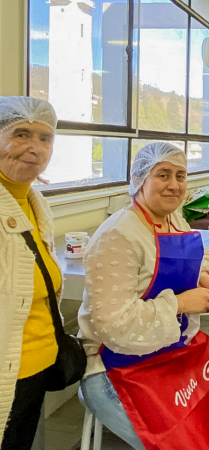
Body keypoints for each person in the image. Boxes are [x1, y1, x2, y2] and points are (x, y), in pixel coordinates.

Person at [77, 143, 209, 449]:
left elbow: (203, 255)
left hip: (170, 354)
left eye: (180, 176)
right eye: (163, 175)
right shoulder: (118, 234)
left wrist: (202, 273)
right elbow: (114, 325)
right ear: (140, 179)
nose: (174, 185)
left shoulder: (174, 220)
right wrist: (181, 304)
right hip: (116, 366)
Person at [0, 97, 60, 449]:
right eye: (21, 134)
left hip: (36, 366)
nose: (35, 148)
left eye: (45, 138)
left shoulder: (36, 203)